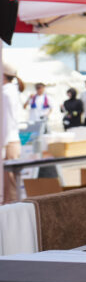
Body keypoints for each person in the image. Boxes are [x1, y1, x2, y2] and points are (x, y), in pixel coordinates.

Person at [2, 62, 23, 202]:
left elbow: (6, 122)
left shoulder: (5, 93)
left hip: (7, 142)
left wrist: (2, 145)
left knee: (8, 191)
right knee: (11, 187)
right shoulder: (12, 91)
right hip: (12, 141)